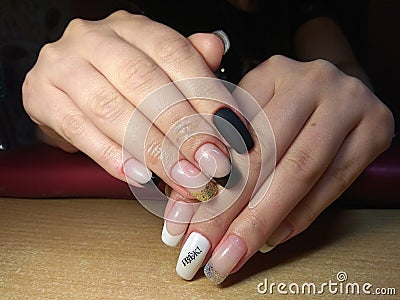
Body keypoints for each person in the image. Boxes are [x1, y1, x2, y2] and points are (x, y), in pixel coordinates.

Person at [6, 0, 395, 284]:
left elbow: (348, 76)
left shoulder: (306, 13)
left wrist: (346, 91)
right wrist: (58, 106)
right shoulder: (161, 14)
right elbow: (58, 132)